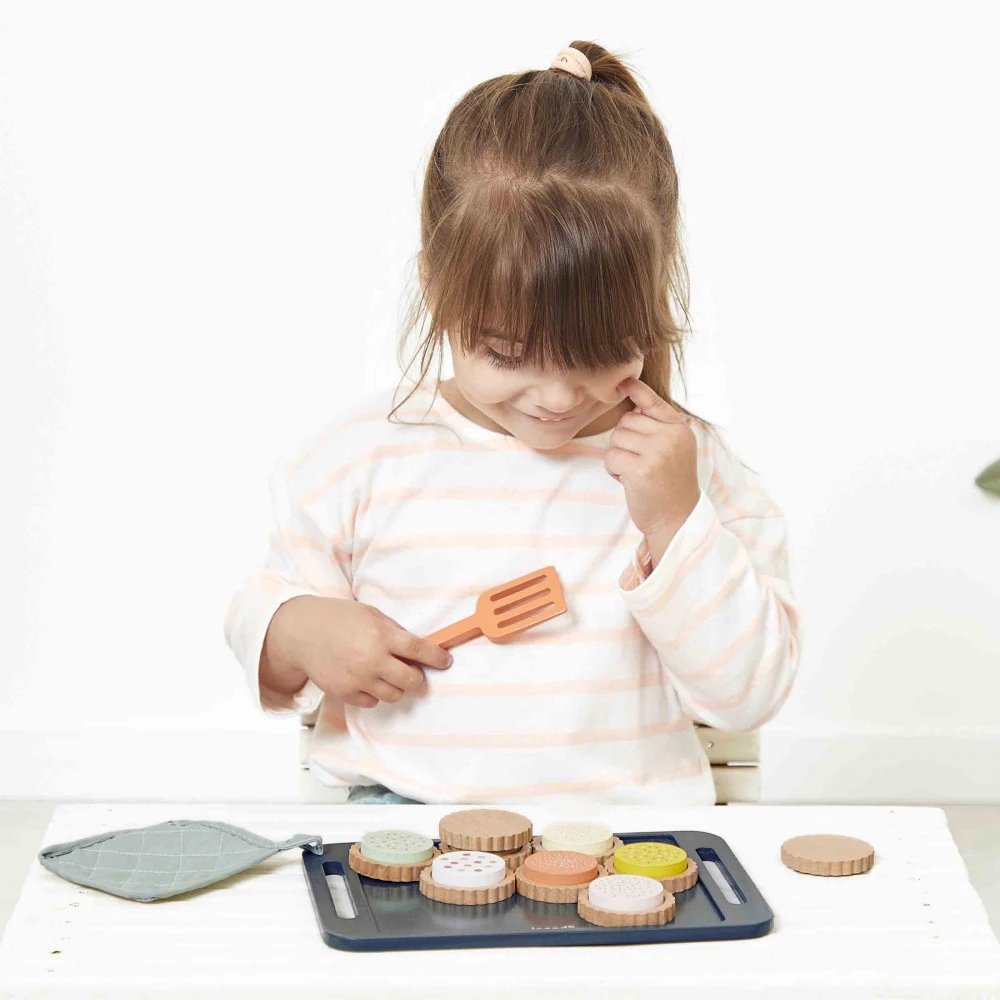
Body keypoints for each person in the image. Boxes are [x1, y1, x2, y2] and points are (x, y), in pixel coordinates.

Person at [223, 41, 801, 807]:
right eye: (507, 352)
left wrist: (677, 525)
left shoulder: (690, 469)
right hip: (402, 828)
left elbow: (746, 697)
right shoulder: (359, 459)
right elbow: (259, 615)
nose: (558, 399)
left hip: (630, 841)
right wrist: (298, 631)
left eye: (601, 351)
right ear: (437, 287)